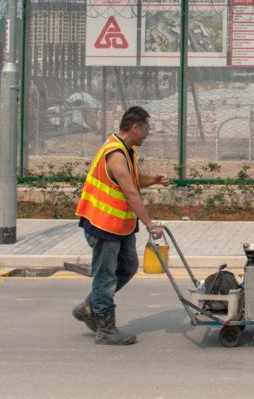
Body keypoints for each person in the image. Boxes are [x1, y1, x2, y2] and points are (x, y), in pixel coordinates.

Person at [72, 106, 169, 345]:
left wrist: (153, 179)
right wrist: (149, 224)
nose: (148, 133)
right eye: (146, 128)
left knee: (128, 266)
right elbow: (129, 191)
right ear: (135, 127)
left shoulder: (128, 151)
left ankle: (89, 307)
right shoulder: (114, 152)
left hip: (120, 226)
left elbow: (133, 181)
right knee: (105, 277)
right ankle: (105, 329)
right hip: (103, 224)